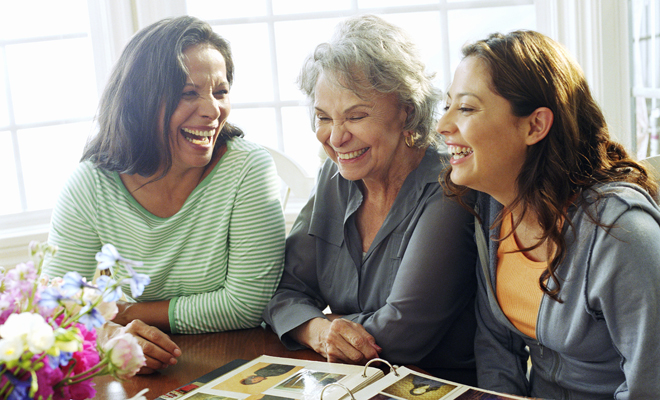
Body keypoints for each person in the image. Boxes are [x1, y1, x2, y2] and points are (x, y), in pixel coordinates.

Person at [44, 16, 286, 374]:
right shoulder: (90, 186)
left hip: (239, 360)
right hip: (137, 370)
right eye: (189, 93)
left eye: (220, 92)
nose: (212, 110)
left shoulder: (247, 169)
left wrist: (124, 312)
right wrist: (110, 334)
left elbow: (247, 304)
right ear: (140, 101)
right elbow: (58, 305)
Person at [437, 30, 660, 399]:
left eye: (467, 108)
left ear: (535, 125)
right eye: (447, 106)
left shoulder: (622, 234)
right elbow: (496, 348)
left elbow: (650, 385)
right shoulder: (491, 209)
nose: (443, 126)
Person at [262, 15, 479, 385]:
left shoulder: (449, 184)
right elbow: (282, 293)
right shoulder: (336, 176)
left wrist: (318, 323)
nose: (335, 137)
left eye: (356, 116)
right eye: (323, 117)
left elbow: (401, 334)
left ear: (407, 111)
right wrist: (317, 330)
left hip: (436, 387)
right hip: (351, 382)